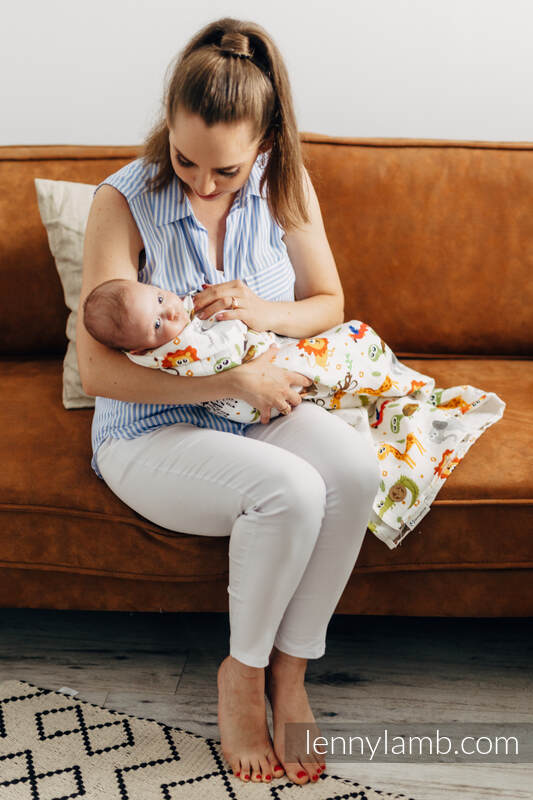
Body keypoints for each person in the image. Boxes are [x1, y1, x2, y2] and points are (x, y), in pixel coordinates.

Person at [77, 17, 381, 787]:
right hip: (150, 431)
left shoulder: (286, 183)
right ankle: (241, 677)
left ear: (265, 142)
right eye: (185, 160)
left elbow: (327, 301)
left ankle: (290, 673)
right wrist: (226, 382)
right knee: (289, 489)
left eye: (227, 171)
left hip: (255, 411)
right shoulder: (123, 201)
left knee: (351, 466)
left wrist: (259, 313)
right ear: (167, 125)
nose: (203, 184)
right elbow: (100, 372)